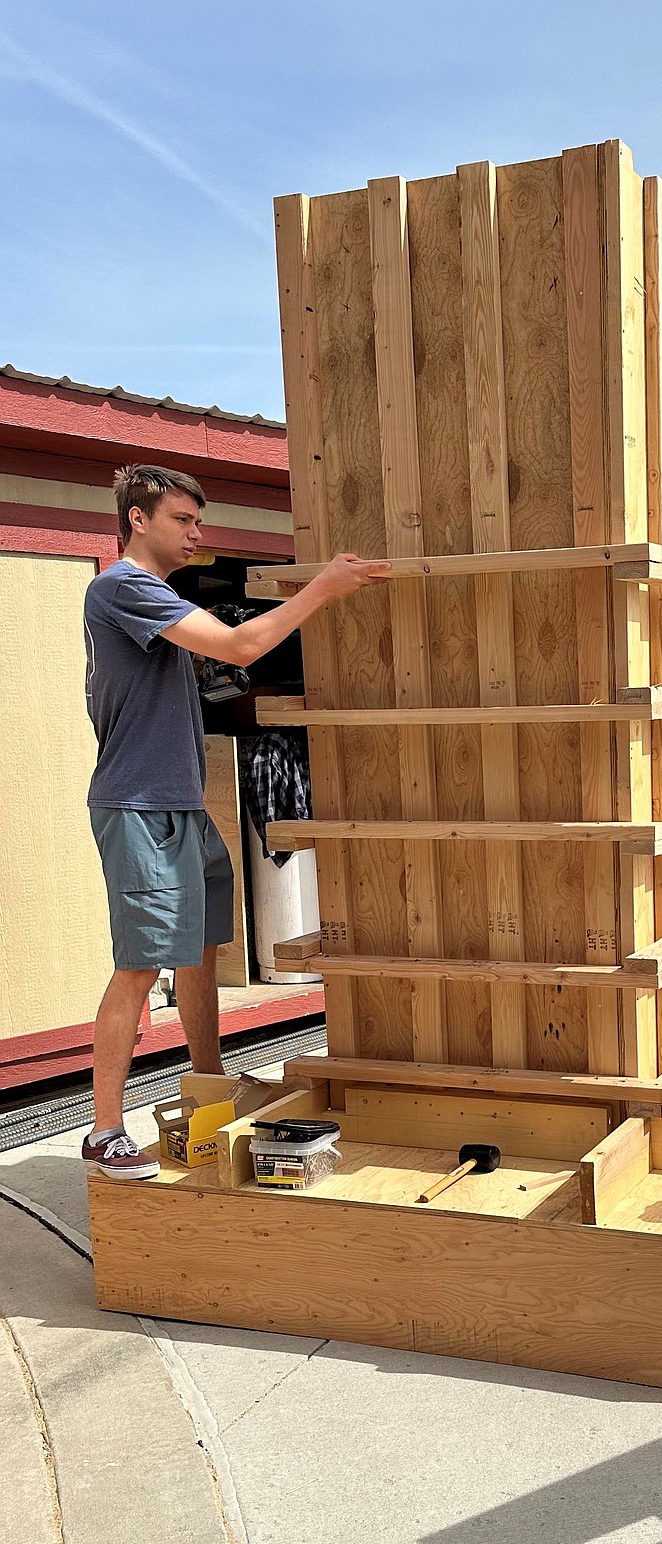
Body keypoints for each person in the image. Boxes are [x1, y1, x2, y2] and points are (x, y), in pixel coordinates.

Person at [81, 462, 380, 1179]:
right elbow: (242, 649)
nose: (196, 533)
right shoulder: (121, 587)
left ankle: (211, 1078)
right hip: (139, 808)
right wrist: (323, 588)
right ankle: (103, 1128)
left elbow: (220, 662)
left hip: (179, 804)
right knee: (138, 965)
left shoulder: (157, 599)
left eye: (197, 521)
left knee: (200, 950)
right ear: (138, 519)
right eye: (183, 520)